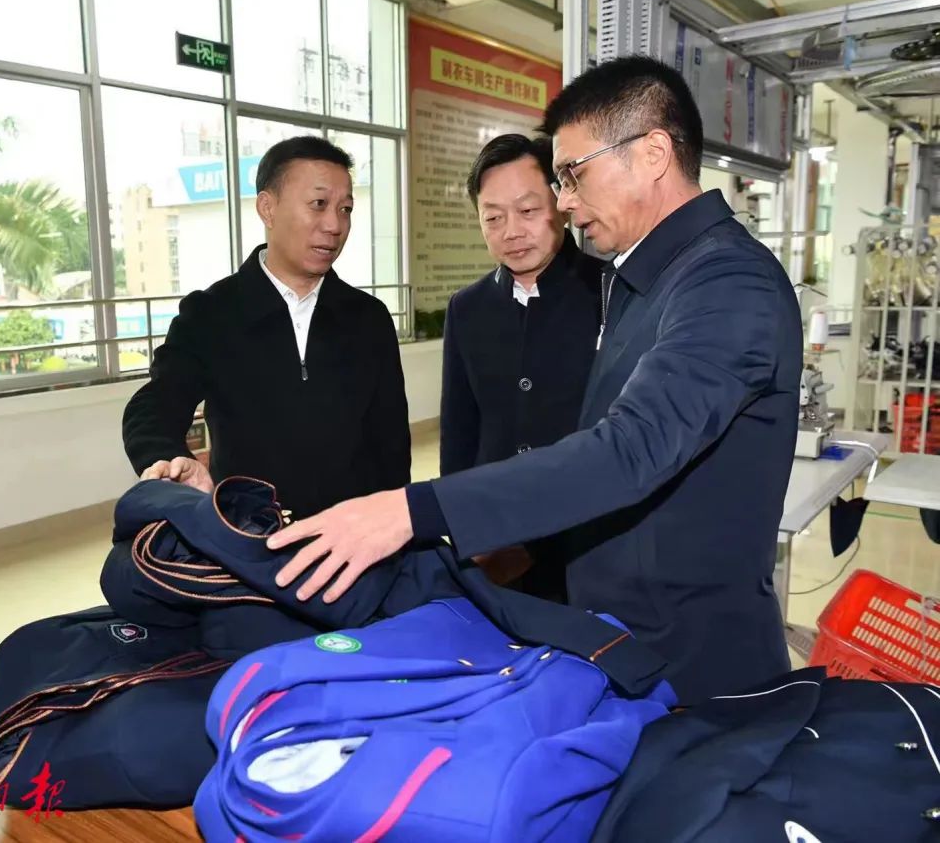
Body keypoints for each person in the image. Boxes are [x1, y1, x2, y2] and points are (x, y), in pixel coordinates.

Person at [267, 57, 803, 704]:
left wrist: (414, 510)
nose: (565, 202)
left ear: (653, 153)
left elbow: (630, 449)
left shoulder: (727, 281)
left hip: (695, 665)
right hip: (618, 639)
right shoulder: (644, 280)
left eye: (574, 174)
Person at [123, 136, 411, 521]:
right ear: (267, 208)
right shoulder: (211, 314)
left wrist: (396, 522)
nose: (334, 225)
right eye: (318, 204)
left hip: (351, 536)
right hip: (250, 533)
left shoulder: (368, 318)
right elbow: (156, 404)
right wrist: (168, 456)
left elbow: (391, 443)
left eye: (345, 209)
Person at [441, 134, 601, 595]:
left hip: (586, 539)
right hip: (495, 539)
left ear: (562, 202)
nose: (511, 231)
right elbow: (460, 431)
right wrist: (463, 528)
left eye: (528, 210)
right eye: (493, 217)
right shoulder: (467, 308)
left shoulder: (610, 293)